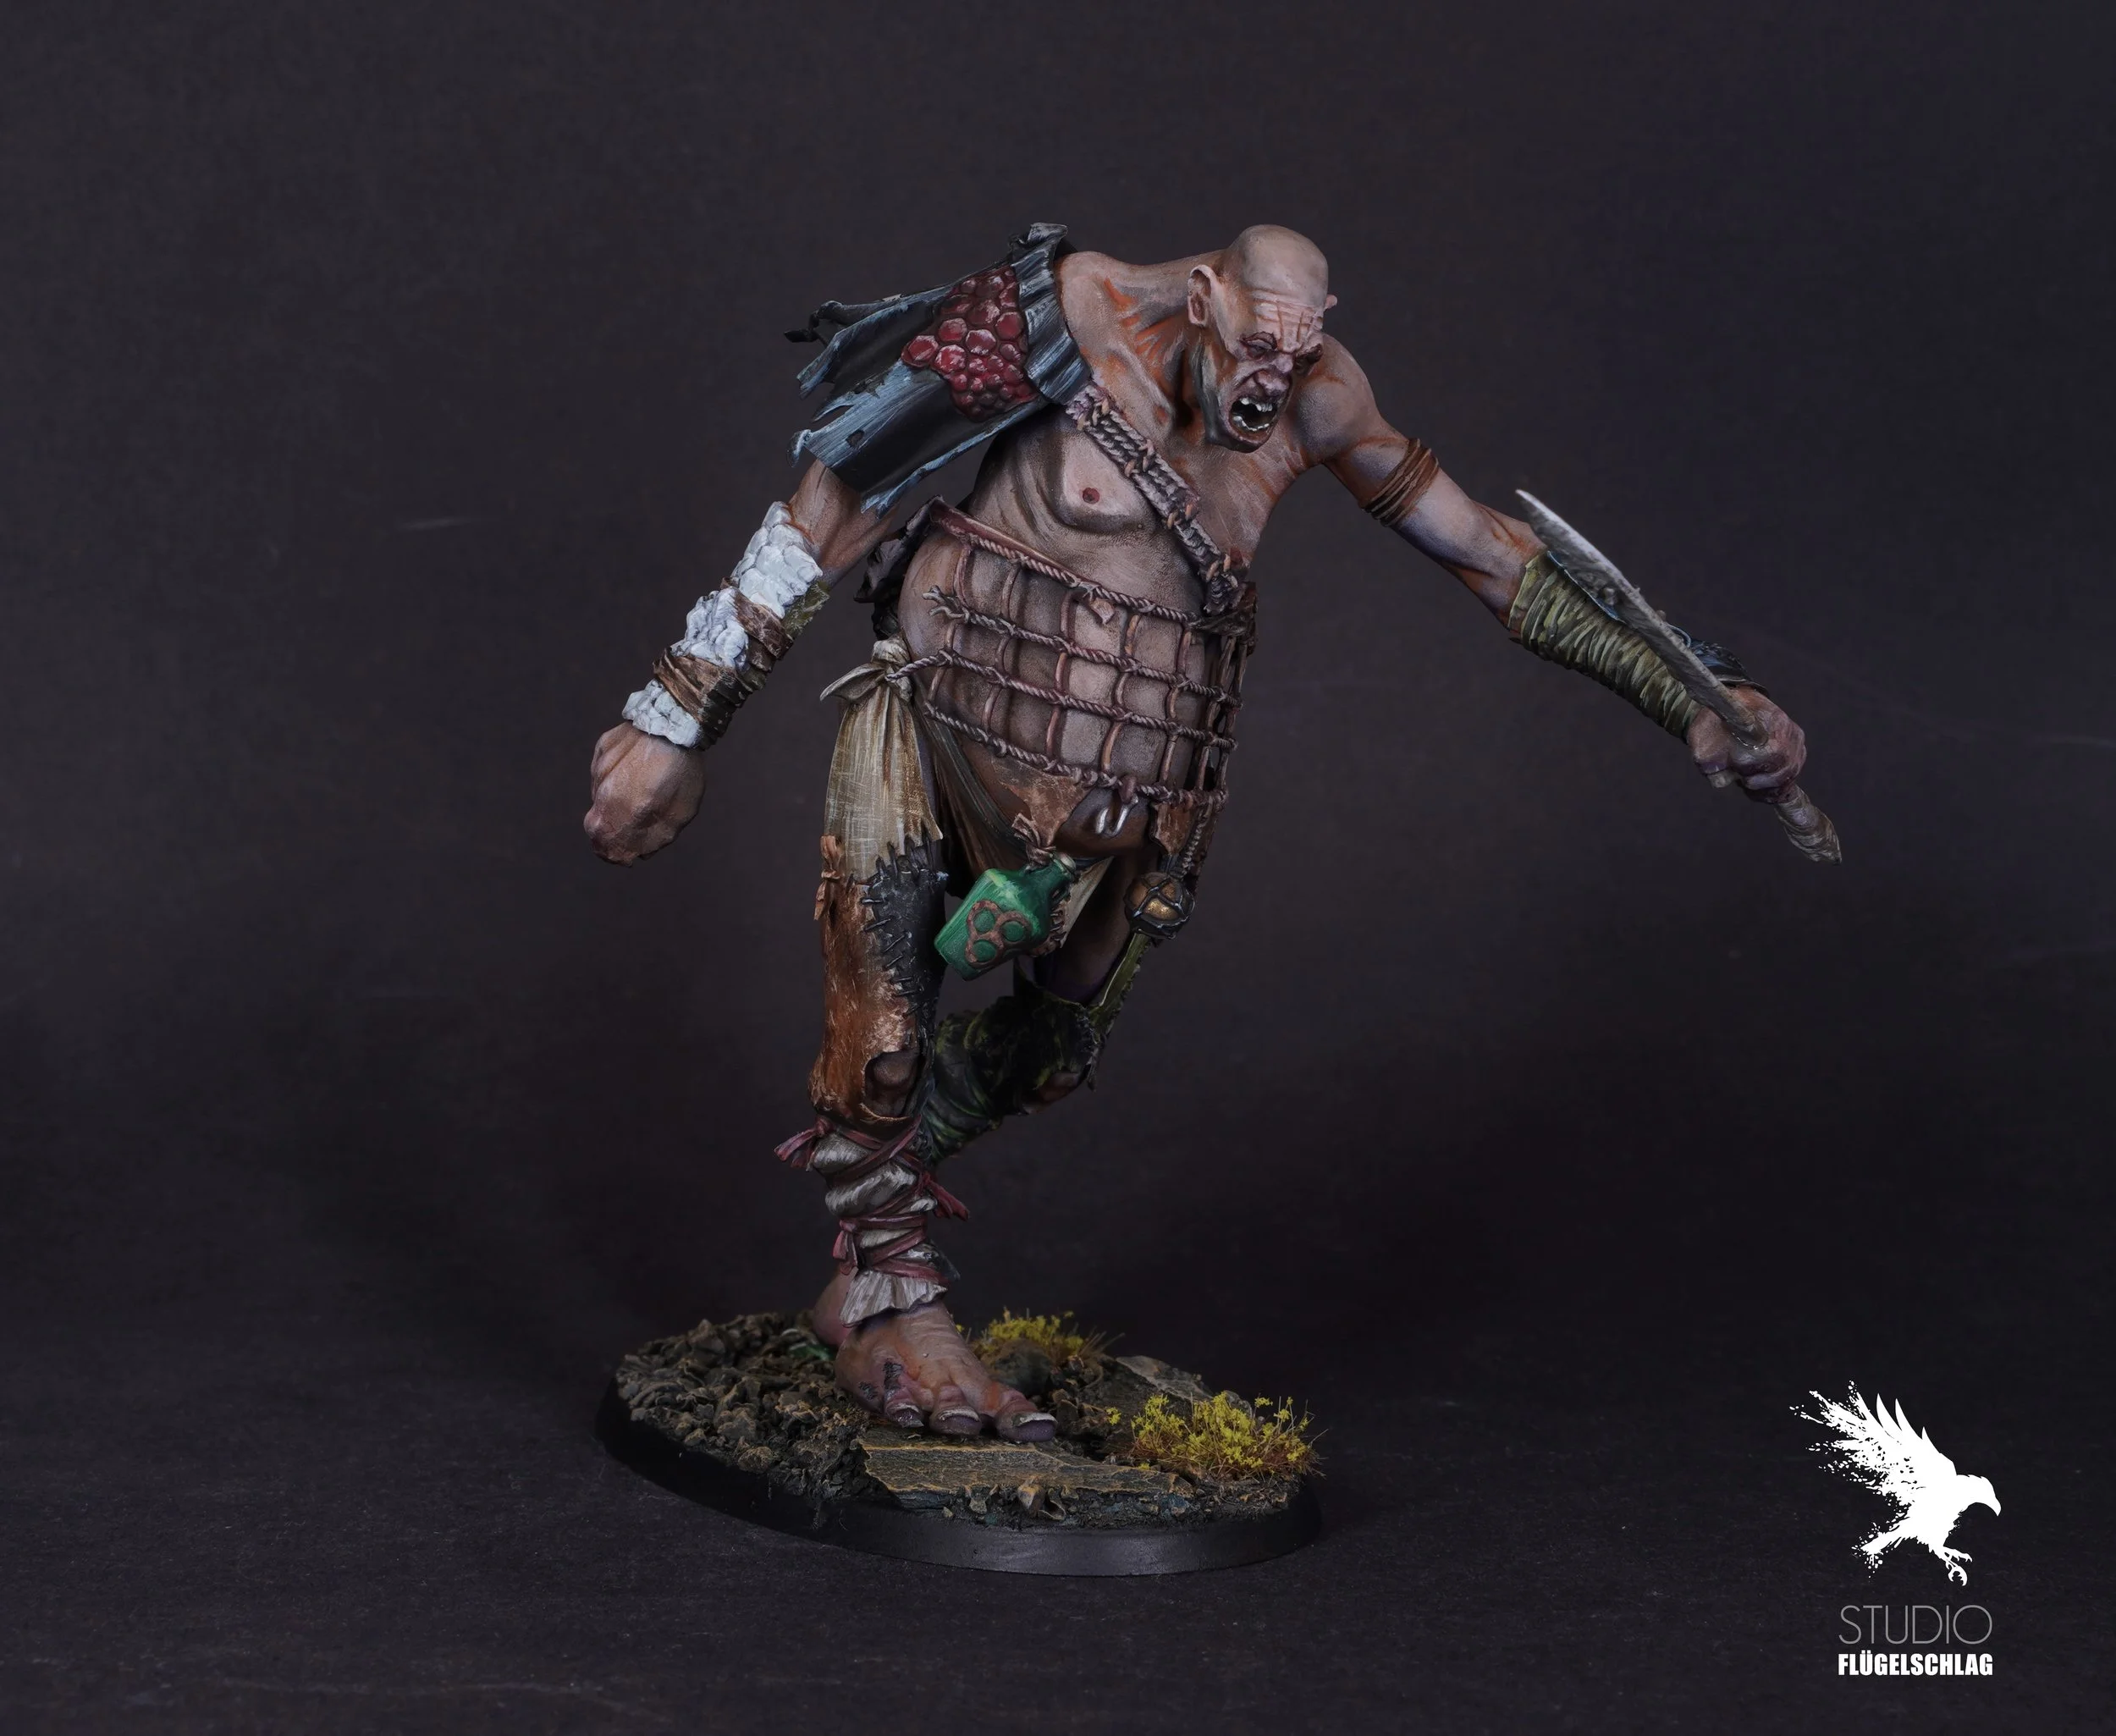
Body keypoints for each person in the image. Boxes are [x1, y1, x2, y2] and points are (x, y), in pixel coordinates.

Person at [583, 223, 1807, 1440]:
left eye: (1298, 353)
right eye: (1256, 348)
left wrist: (1694, 692)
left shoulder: (1318, 400)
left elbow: (1490, 552)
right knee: (888, 1041)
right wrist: (678, 714)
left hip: (1119, 824)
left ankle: (873, 1196)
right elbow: (845, 490)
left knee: (1048, 1056)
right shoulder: (1056, 317)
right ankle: (896, 1302)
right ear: (1208, 297)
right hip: (931, 734)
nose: (1271, 382)